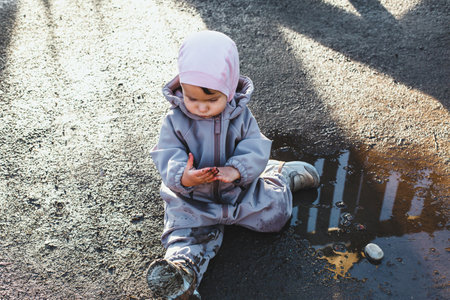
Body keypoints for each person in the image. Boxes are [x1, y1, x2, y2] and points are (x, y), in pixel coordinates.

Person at [147, 30, 320, 299]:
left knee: (274, 217)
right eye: (192, 98)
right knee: (182, 233)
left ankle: (279, 177)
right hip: (193, 200)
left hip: (239, 192)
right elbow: (167, 152)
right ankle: (183, 274)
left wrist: (237, 169)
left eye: (211, 100)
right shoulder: (175, 119)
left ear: (228, 89)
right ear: (182, 87)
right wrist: (185, 176)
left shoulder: (241, 116)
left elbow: (254, 145)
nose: (200, 108)